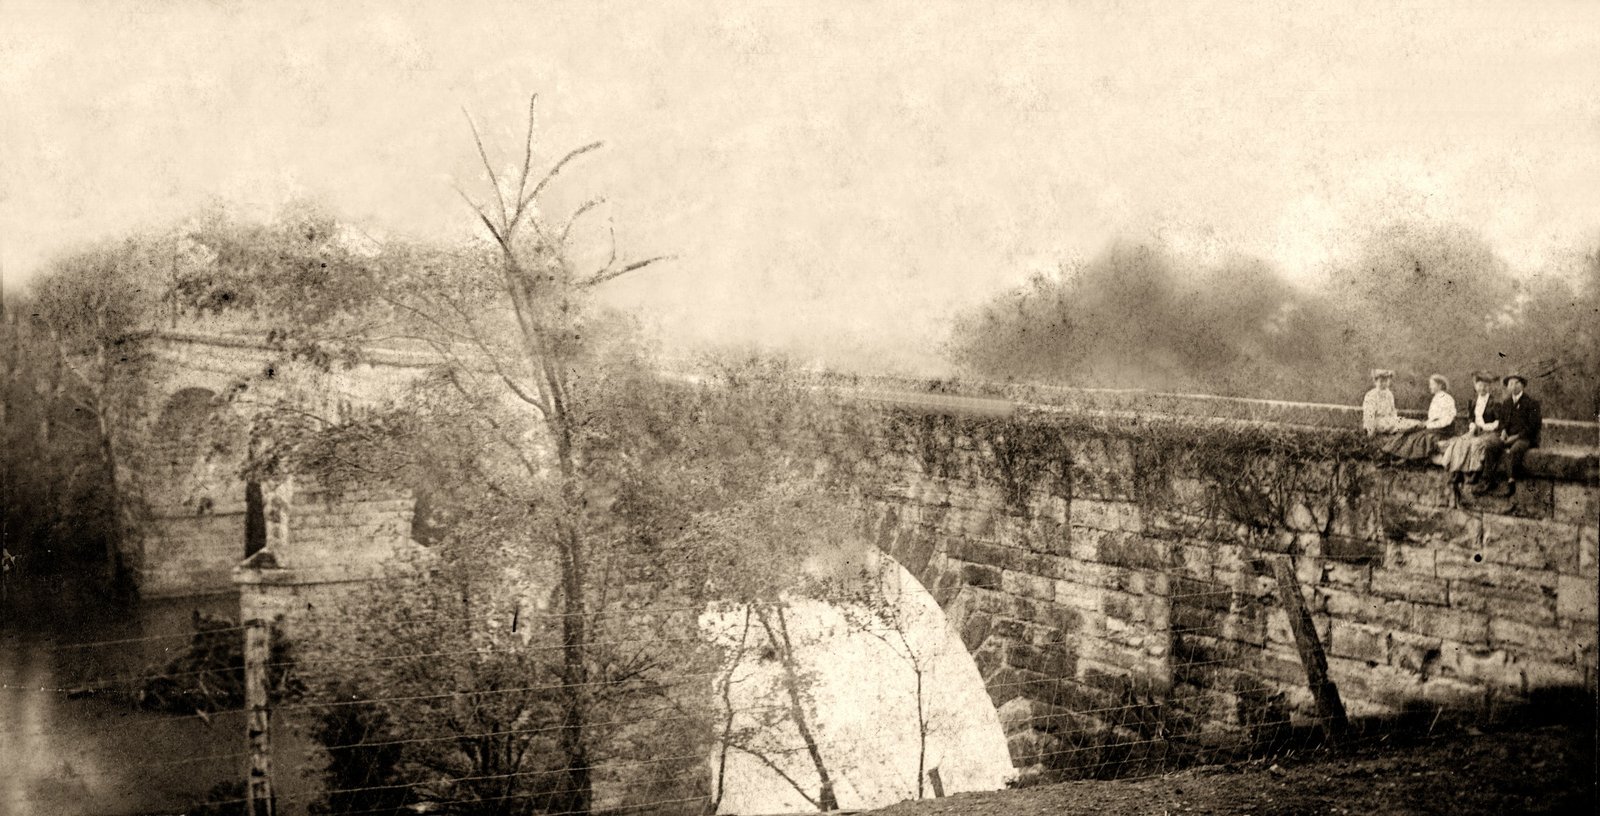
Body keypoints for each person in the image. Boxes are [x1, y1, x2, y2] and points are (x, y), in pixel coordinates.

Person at [1478, 372, 1541, 497]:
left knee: (1515, 450)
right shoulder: (1506, 403)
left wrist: (1516, 437)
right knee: (1490, 446)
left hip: (1524, 437)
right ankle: (1488, 480)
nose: (1513, 386)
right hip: (1508, 436)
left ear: (1522, 386)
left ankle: (1511, 483)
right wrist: (1503, 432)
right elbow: (1502, 422)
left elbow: (1533, 426)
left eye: (1517, 383)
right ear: (1507, 387)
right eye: (1510, 384)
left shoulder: (1531, 403)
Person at [1440, 371, 1502, 485]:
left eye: (1485, 386)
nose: (1482, 388)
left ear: (1489, 387)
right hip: (1475, 430)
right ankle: (1457, 472)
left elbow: (1498, 422)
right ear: (1475, 386)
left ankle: (1474, 472)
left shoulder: (1494, 402)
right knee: (1459, 443)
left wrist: (1484, 426)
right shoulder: (1473, 402)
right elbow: (1471, 418)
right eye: (1480, 385)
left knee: (1476, 444)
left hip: (1489, 432)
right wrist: (1472, 425)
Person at [1377, 373, 1457, 460]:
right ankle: (1391, 453)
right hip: (1435, 427)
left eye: (1432, 384)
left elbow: (1447, 420)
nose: (1430, 387)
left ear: (1440, 385)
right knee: (1408, 431)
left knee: (1415, 437)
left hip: (1442, 430)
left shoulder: (1446, 398)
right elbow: (1434, 418)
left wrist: (1427, 425)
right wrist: (1426, 423)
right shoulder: (1437, 397)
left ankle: (1399, 456)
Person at [1362, 369, 1419, 439]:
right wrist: (1370, 431)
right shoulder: (1371, 395)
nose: (1384, 383)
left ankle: (1416, 425)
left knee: (1408, 422)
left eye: (1386, 381)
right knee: (1400, 426)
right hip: (1377, 422)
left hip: (1389, 420)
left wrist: (1395, 419)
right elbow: (1369, 415)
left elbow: (1393, 411)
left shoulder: (1389, 394)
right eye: (1381, 381)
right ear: (1375, 382)